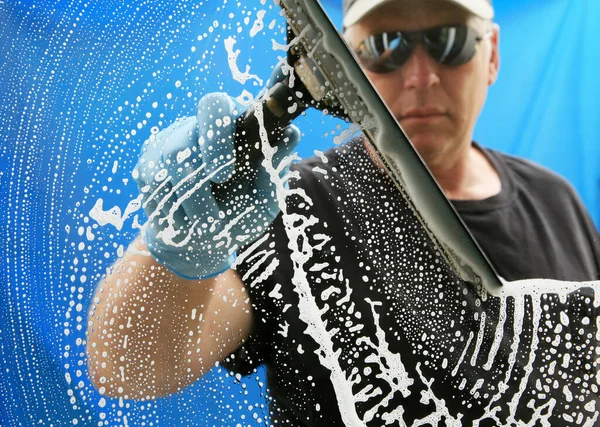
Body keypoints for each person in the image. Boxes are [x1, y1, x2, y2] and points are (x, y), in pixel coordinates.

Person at [86, 0, 600, 425]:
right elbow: (126, 367)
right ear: (348, 60)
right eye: (385, 46)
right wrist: (177, 247)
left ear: (491, 55)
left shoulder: (556, 198)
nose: (422, 76)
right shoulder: (290, 207)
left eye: (450, 41)